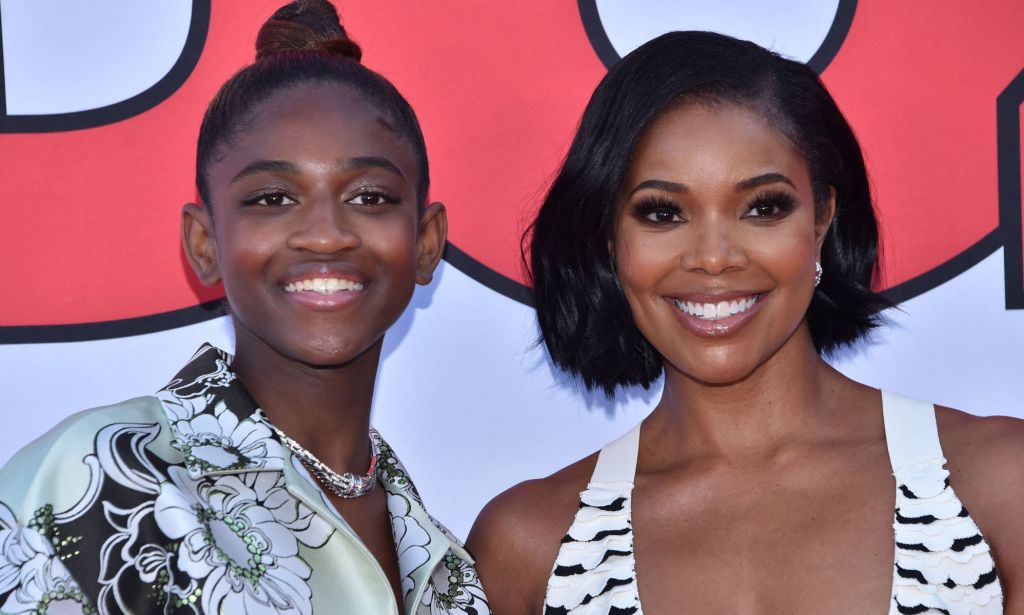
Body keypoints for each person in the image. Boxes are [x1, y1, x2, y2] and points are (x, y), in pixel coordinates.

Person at [467, 31, 1024, 614]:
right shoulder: (528, 546)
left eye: (763, 207)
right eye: (662, 213)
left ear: (823, 219)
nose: (713, 256)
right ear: (610, 238)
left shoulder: (999, 485)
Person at [0, 2, 489, 614]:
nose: (325, 234)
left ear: (425, 242)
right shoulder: (97, 479)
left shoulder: (448, 568)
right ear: (205, 245)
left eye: (369, 196)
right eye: (272, 198)